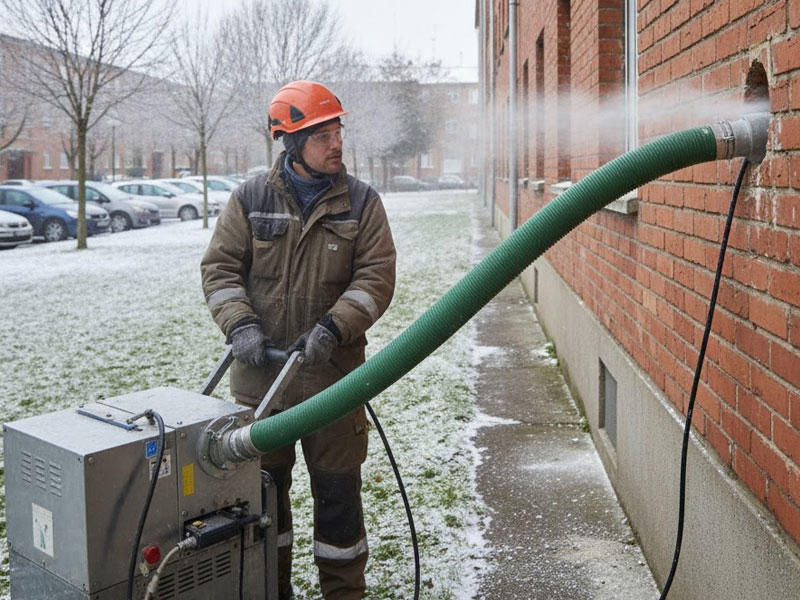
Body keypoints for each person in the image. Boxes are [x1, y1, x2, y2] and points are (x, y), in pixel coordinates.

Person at [200, 80, 396, 600]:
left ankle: (343, 593)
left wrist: (333, 328)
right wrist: (241, 325)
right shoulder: (250, 198)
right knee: (265, 504)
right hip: (260, 386)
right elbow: (220, 271)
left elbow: (376, 278)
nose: (336, 144)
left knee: (338, 502)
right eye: (321, 135)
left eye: (337, 131)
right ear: (290, 144)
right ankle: (273, 590)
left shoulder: (361, 203)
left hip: (332, 384)